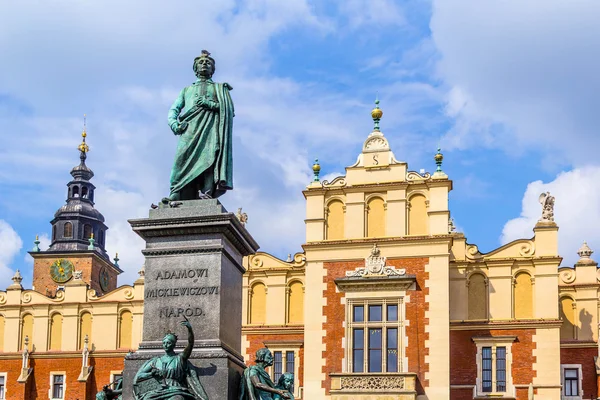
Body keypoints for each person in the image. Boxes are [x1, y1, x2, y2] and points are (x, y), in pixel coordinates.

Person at [166, 50, 234, 201]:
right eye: (201, 63)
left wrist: (208, 103)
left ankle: (207, 192)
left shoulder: (219, 89)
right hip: (189, 130)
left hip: (210, 130)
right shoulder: (186, 90)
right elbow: (174, 109)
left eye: (208, 63)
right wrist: (174, 124)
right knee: (180, 160)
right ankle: (176, 191)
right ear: (195, 68)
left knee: (209, 159)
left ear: (212, 70)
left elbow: (228, 110)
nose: (204, 64)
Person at [133, 319, 208, 400]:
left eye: (168, 343)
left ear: (174, 344)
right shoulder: (156, 361)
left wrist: (190, 330)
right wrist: (152, 374)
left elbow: (190, 344)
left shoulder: (180, 358)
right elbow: (139, 376)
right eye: (164, 343)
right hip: (157, 390)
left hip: (176, 389)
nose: (166, 345)